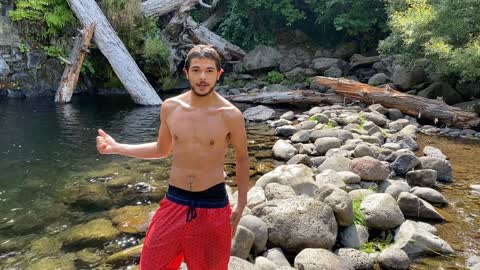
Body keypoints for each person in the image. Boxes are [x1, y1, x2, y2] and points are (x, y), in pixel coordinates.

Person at [96, 45, 249, 270]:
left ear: (219, 74)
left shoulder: (230, 115)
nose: (203, 77)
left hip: (213, 205)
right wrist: (118, 147)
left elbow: (242, 158)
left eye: (209, 70)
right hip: (174, 202)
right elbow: (161, 149)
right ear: (186, 73)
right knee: (151, 265)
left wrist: (241, 205)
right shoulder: (170, 107)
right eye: (196, 70)